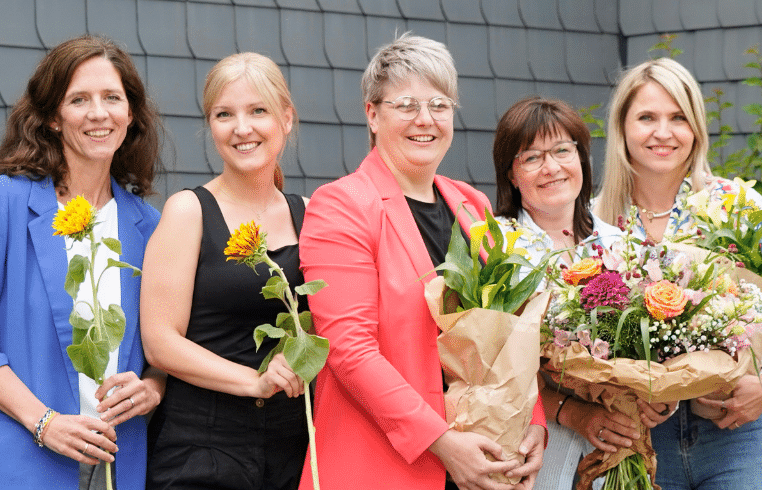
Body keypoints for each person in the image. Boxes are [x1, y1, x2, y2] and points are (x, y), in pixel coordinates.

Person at [296, 33, 546, 490]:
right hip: (381, 465)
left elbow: (510, 329)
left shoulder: (470, 205)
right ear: (372, 114)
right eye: (406, 105)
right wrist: (443, 442)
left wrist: (532, 421)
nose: (425, 120)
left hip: (487, 461)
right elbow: (350, 350)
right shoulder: (341, 205)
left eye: (439, 105)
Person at [0, 35, 166, 489]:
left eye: (111, 99)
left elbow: (164, 343)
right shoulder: (6, 201)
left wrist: (154, 387)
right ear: (52, 118)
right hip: (27, 460)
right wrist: (45, 423)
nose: (98, 113)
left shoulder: (151, 226)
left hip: (122, 464)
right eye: (78, 99)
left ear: (130, 114)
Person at [591, 57, 762, 490]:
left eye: (678, 118)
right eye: (647, 117)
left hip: (734, 428)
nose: (663, 132)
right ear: (623, 128)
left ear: (696, 128)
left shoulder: (737, 204)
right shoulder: (597, 219)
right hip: (640, 434)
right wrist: (621, 393)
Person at [139, 52, 309, 489]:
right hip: (203, 448)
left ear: (286, 119)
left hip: (294, 448)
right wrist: (254, 381)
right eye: (224, 114)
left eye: (258, 111)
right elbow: (160, 342)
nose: (242, 128)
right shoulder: (188, 211)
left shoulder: (311, 215)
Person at [480, 96, 643, 490]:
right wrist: (572, 412)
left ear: (582, 160)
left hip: (617, 450)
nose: (551, 167)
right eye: (531, 157)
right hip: (528, 453)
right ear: (511, 175)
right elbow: (483, 369)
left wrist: (657, 399)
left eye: (562, 151)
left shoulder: (623, 245)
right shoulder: (493, 248)